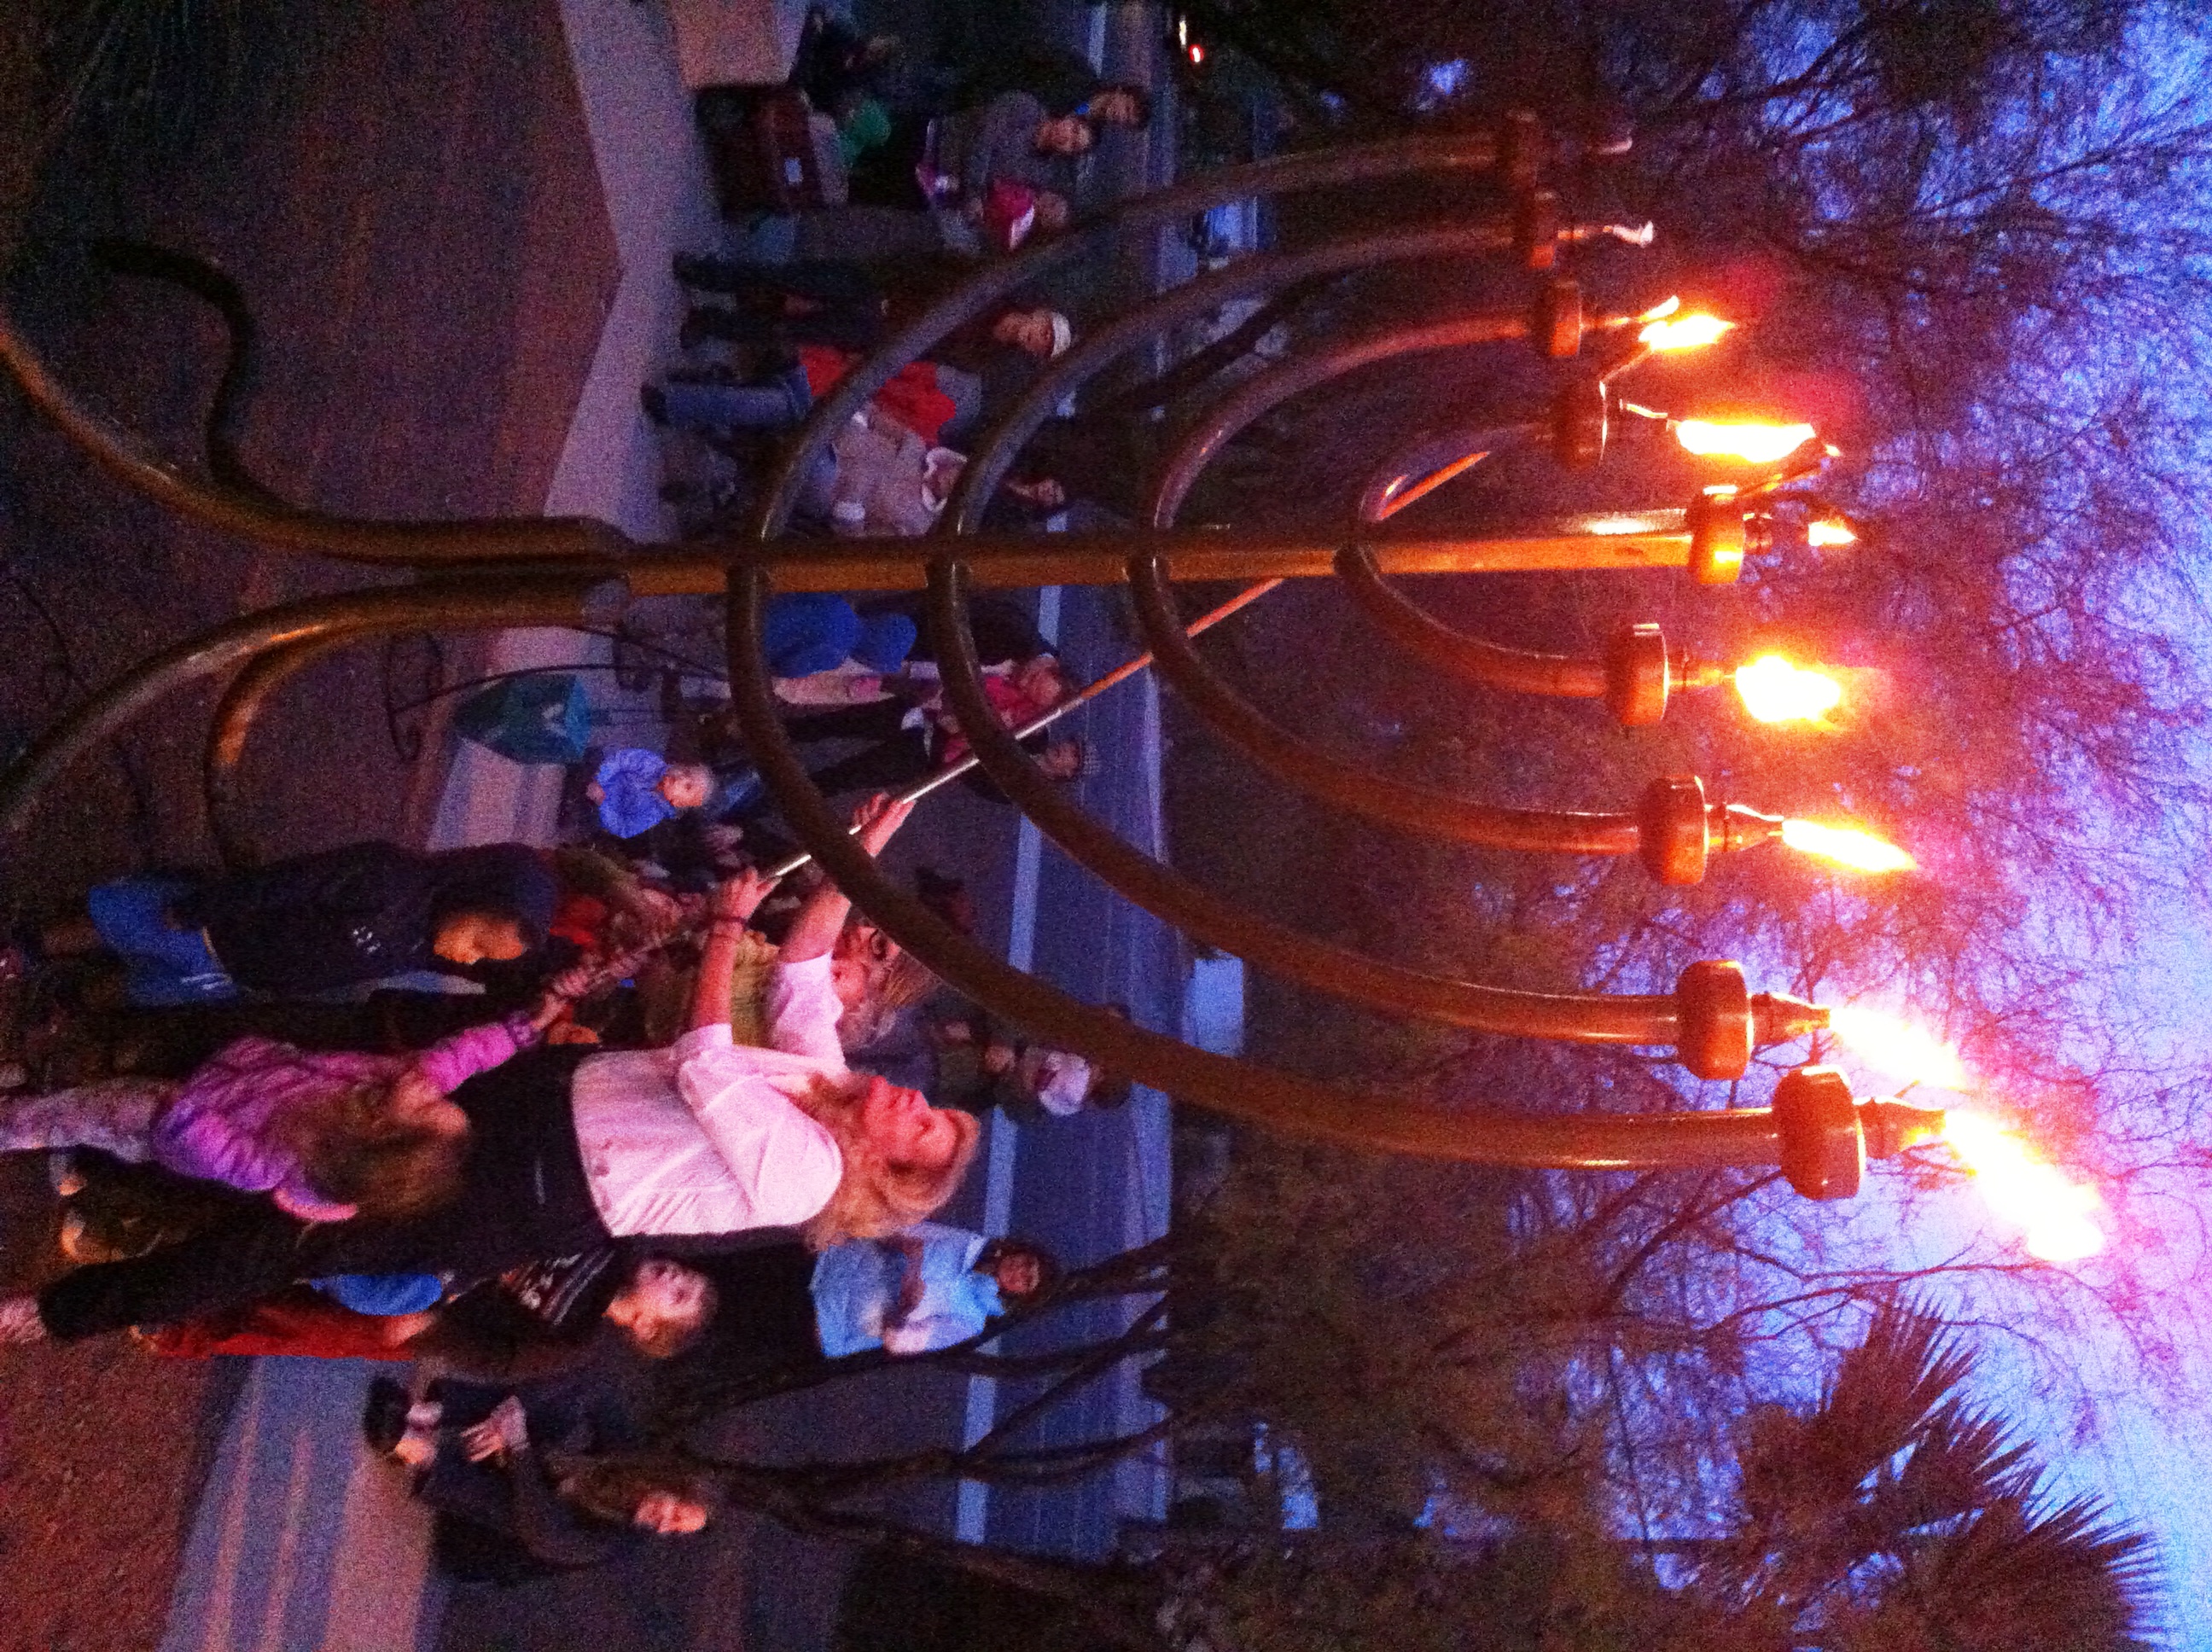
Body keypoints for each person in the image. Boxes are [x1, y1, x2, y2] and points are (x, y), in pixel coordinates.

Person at [2, 794, 983, 1348]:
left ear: (888, 1174)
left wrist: (727, 930)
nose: (912, 1100)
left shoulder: (810, 1172)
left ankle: (58, 1311)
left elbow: (703, 1070)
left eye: (922, 1128)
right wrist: (863, 852)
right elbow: (810, 960)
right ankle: (93, 1118)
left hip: (526, 1186)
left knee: (295, 1239)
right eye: (933, 1105)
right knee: (320, 1093)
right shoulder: (824, 1080)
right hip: (534, 1096)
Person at [0, 978, 577, 1222]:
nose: (433, 1088)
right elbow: (461, 1058)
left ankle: (12, 1124)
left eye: (431, 1106)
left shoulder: (292, 1162)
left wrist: (179, 1111)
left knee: (72, 1118)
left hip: (158, 1117)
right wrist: (523, 1030)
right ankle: (40, 1100)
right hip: (226, 1074)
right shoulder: (397, 1081)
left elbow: (226, 1161)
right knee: (83, 1099)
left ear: (383, 1138)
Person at [28, 841, 558, 1005]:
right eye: (477, 942)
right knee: (122, 924)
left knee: (145, 988)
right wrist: (204, 906)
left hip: (233, 975)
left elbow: (498, 983)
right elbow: (289, 881)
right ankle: (33, 948)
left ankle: (70, 994)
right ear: (471, 892)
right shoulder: (386, 878)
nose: (468, 958)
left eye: (481, 960)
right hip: (217, 927)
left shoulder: (423, 944)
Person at [585, 750, 715, 841]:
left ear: (678, 803)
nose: (681, 778)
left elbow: (624, 828)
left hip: (596, 810)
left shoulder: (652, 815)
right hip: (597, 775)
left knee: (584, 826)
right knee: (592, 757)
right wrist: (599, 779)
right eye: (686, 772)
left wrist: (602, 803)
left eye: (688, 786)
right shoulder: (651, 764)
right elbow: (621, 760)